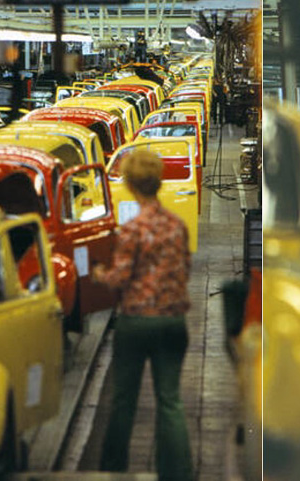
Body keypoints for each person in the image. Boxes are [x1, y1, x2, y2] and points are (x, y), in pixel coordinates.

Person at [92, 150, 194, 481]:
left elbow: (120, 278)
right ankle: (178, 472)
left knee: (124, 399)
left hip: (136, 323)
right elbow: (185, 270)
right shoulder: (177, 225)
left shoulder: (133, 229)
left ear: (131, 184)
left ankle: (113, 469)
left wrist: (98, 274)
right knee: (170, 400)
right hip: (173, 322)